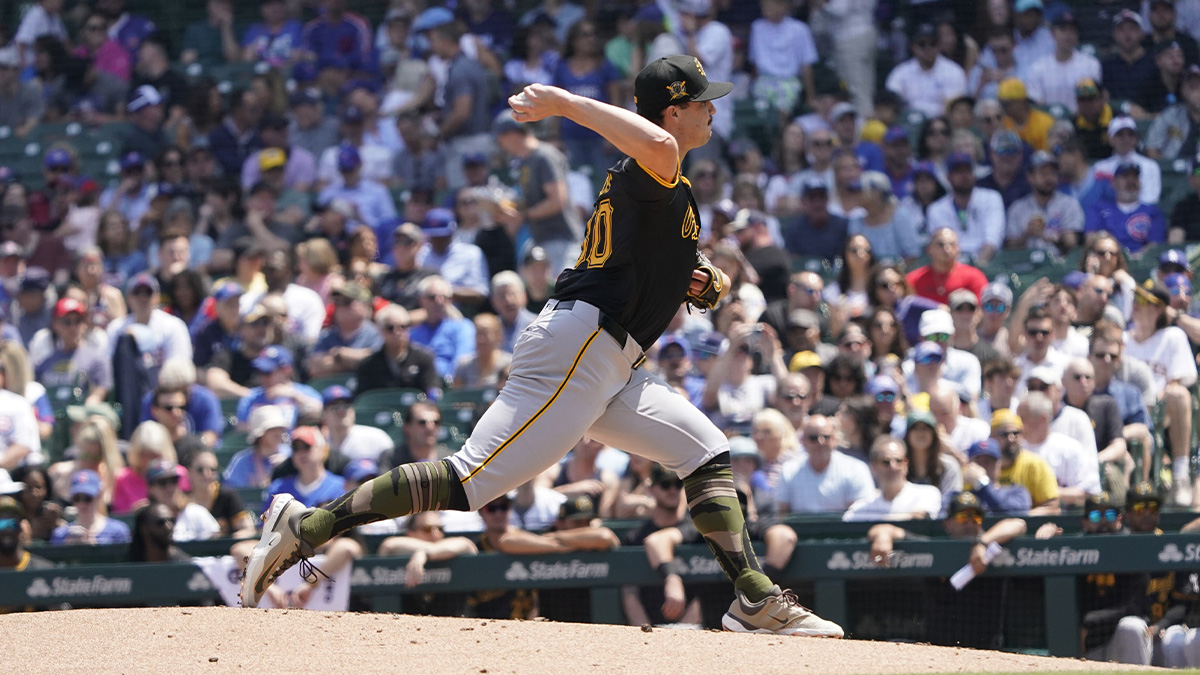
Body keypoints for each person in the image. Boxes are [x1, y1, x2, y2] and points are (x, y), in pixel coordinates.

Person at [242, 55, 844, 638]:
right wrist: (563, 103)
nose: (712, 113)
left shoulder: (667, 184)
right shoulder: (650, 165)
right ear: (672, 111)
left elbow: (664, 260)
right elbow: (655, 151)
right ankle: (308, 524)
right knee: (467, 481)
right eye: (701, 103)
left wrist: (699, 276)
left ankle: (755, 599)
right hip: (582, 346)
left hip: (612, 358)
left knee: (705, 449)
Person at [1125, 280, 1198, 506]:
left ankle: (1180, 475)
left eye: (1143, 301)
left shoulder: (1172, 336)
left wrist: (1151, 399)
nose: (1136, 304)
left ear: (1159, 309)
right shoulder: (1123, 339)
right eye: (1135, 298)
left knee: (1178, 394)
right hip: (1127, 409)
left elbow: (1176, 381)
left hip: (1160, 408)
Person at [923, 154, 1005, 263]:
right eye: (958, 172)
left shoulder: (991, 198)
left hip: (989, 262)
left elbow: (993, 239)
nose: (964, 176)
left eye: (967, 171)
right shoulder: (936, 209)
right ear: (948, 177)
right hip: (952, 267)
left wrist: (978, 265)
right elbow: (940, 245)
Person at [844, 436, 944, 521]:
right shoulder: (861, 507)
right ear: (873, 467)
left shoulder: (927, 493)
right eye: (886, 462)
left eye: (898, 461)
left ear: (906, 465)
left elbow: (922, 516)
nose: (893, 467)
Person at [1005, 151, 1085, 252]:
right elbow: (1009, 247)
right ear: (1030, 177)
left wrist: (1044, 235)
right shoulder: (1017, 208)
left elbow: (1072, 243)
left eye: (1052, 173)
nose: (1048, 178)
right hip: (1025, 265)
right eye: (1043, 173)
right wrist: (1026, 235)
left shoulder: (1069, 204)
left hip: (1059, 264)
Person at [355, 304, 441, 396]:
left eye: (403, 327)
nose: (398, 332)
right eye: (390, 328)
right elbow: (363, 399)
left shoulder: (424, 359)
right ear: (381, 331)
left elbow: (432, 391)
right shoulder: (369, 365)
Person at [905, 228, 988, 305]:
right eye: (941, 244)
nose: (947, 249)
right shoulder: (913, 279)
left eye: (952, 244)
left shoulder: (974, 276)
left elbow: (981, 309)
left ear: (958, 249)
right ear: (929, 249)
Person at [48, 469, 131, 545]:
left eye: (87, 498)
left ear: (99, 495)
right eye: (77, 498)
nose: (82, 504)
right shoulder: (60, 535)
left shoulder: (118, 531)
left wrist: (95, 548)